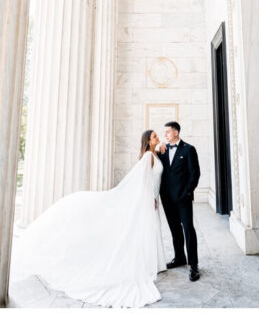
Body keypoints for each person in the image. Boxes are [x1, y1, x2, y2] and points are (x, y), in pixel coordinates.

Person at [11, 130, 167, 308]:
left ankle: (154, 263)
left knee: (151, 229)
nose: (158, 138)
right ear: (148, 141)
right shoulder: (148, 156)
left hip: (153, 200)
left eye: (157, 136)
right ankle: (148, 265)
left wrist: (162, 150)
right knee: (147, 229)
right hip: (149, 201)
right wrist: (151, 199)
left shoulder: (154, 154)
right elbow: (141, 182)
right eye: (154, 137)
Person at [156, 121, 201, 282]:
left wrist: (187, 192)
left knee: (188, 229)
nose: (165, 135)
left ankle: (193, 264)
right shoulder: (162, 150)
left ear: (176, 132)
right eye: (165, 132)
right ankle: (179, 257)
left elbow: (194, 174)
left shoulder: (189, 149)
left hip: (183, 198)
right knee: (174, 229)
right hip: (167, 199)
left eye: (167, 132)